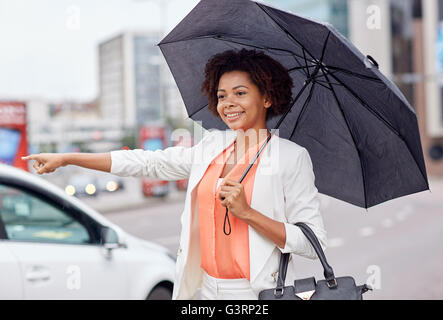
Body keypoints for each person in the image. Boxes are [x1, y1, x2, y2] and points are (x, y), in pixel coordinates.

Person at [22, 48, 327, 300]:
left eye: (240, 93)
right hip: (203, 290)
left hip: (257, 294)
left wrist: (248, 213)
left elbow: (314, 243)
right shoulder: (212, 146)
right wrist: (68, 158)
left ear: (267, 97)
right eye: (221, 95)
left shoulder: (291, 158)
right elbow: (147, 163)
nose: (228, 103)